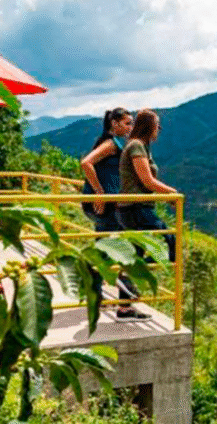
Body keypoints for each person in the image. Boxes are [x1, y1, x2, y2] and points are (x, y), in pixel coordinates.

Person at [80, 107, 148, 319]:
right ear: (115, 124)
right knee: (127, 250)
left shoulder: (116, 143)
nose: (130, 128)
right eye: (127, 123)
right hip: (107, 204)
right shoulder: (110, 143)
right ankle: (124, 306)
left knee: (105, 249)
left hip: (109, 203)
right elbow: (86, 162)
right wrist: (99, 192)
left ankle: (96, 294)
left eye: (131, 124)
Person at [117, 109, 177, 264]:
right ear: (149, 126)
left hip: (136, 207)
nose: (159, 129)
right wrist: (172, 193)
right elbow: (147, 180)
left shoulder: (141, 146)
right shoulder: (136, 146)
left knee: (136, 252)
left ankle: (128, 284)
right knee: (170, 244)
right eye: (157, 125)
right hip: (135, 207)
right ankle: (129, 278)